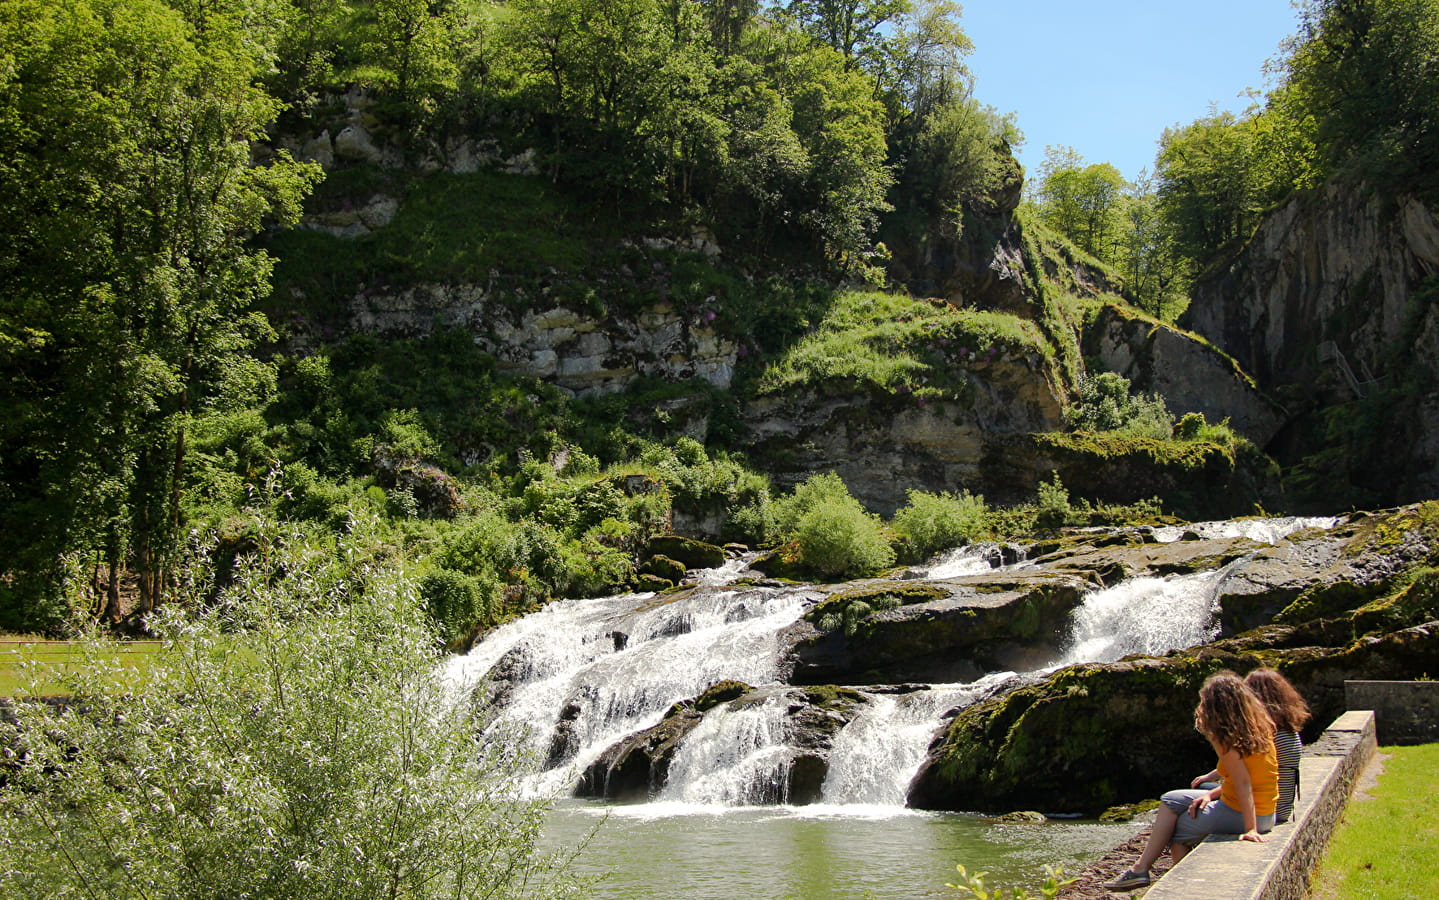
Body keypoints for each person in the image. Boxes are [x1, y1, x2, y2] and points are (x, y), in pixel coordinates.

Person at [1102, 671, 1279, 891]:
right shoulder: (1260, 727)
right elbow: (1252, 777)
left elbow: (1244, 782)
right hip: (1267, 811)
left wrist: (1251, 829)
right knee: (1170, 799)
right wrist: (1209, 793)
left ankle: (1184, 889)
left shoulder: (1224, 737)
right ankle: (1140, 870)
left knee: (1175, 833)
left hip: (1248, 814)